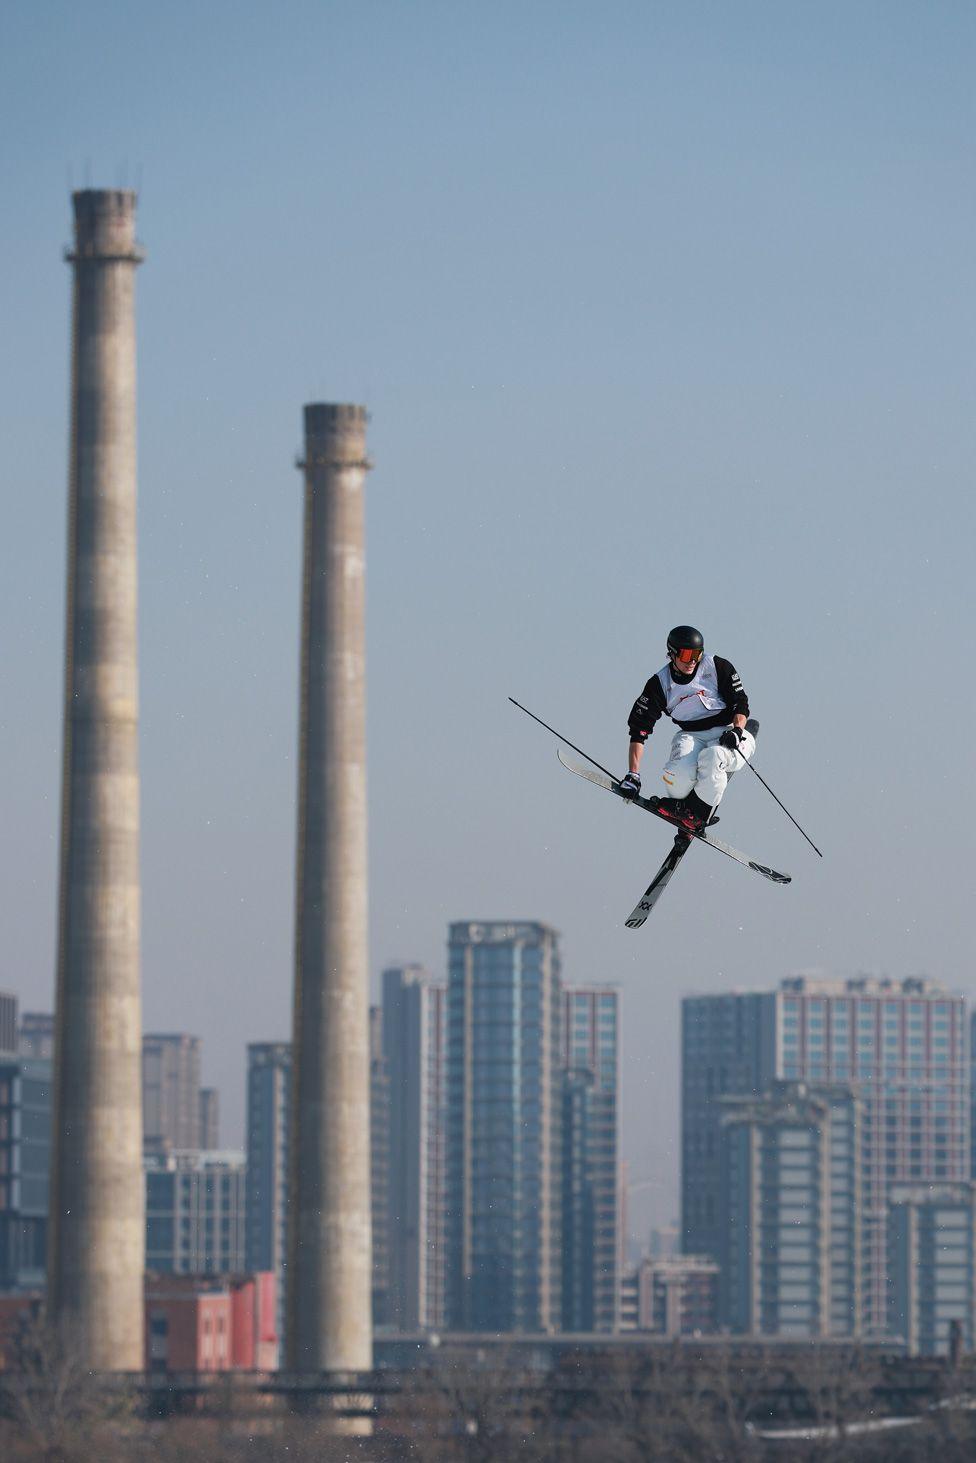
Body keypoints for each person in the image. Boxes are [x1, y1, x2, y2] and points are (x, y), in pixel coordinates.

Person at [618, 625, 755, 834]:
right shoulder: (659, 685)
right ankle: (685, 811)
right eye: (686, 654)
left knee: (713, 755)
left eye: (697, 654)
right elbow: (639, 730)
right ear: (672, 654)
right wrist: (633, 774)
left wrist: (736, 731)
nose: (692, 660)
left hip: (728, 733)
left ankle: (699, 814)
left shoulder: (717, 667)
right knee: (677, 775)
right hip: (692, 735)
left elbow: (740, 703)